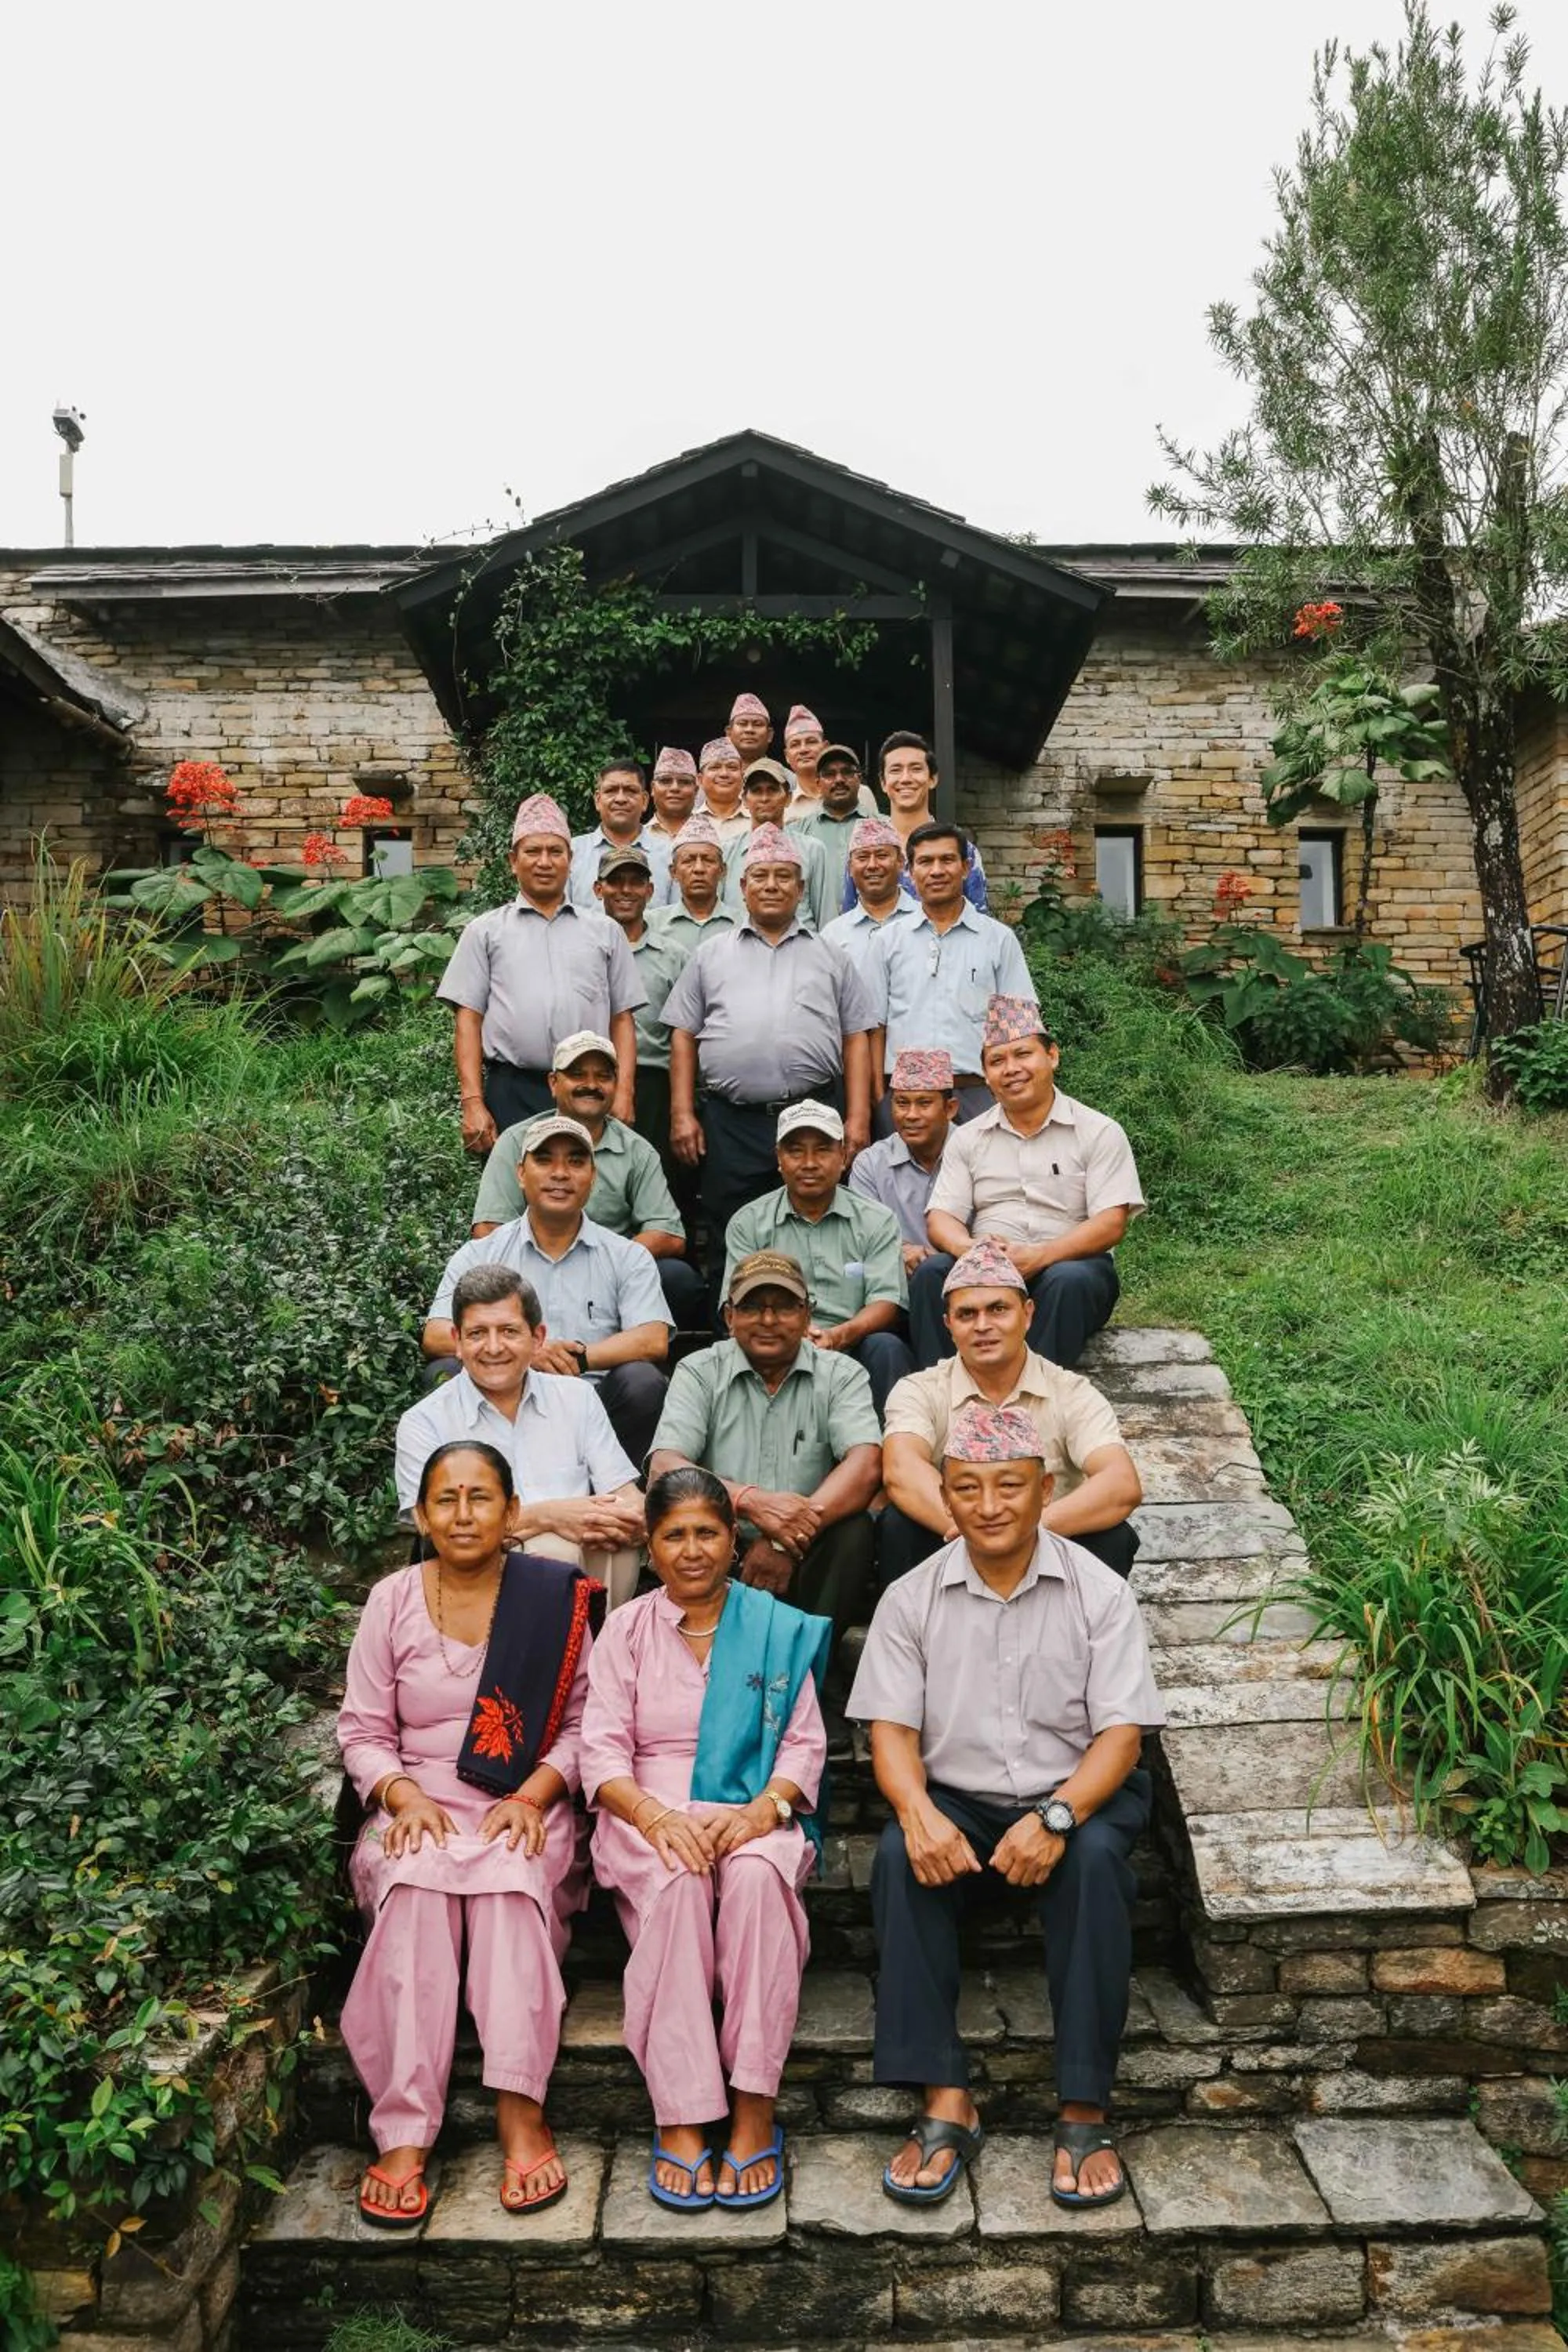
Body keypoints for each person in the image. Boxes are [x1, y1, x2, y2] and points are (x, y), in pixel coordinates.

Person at [848, 1403, 1164, 2212]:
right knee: (896, 1857)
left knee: (1093, 1865)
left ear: (1043, 1488)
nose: (988, 1505)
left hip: (1078, 1795)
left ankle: (1083, 2106)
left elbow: (1120, 1738)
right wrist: (917, 1812)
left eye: (1007, 1487)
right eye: (968, 1489)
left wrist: (1057, 1817)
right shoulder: (910, 1598)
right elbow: (889, 1732)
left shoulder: (1097, 1593)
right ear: (945, 1499)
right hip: (961, 1796)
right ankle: (944, 2096)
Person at [338, 1439, 597, 2225]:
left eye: (480, 1497)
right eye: (445, 1499)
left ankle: (520, 2107)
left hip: (521, 1801)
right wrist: (402, 1796)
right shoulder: (391, 1599)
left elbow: (585, 1726)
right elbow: (361, 1730)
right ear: (421, 1515)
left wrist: (531, 1794)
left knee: (509, 1885)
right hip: (413, 1798)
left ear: (512, 1513)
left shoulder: (548, 1601)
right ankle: (405, 2130)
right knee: (414, 1885)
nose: (462, 1514)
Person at [580, 1467, 829, 2212]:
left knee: (754, 1878)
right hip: (647, 1815)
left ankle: (753, 2107)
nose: (692, 1550)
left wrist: (760, 1813)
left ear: (734, 1540)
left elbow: (804, 1746)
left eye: (708, 1533)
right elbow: (599, 1753)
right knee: (682, 1883)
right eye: (674, 1536)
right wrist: (659, 1819)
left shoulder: (771, 1626)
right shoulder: (625, 1629)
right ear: (651, 1551)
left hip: (751, 1810)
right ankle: (685, 2111)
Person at [662, 826, 875, 1272]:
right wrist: (682, 1113)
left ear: (801, 889)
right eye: (760, 876)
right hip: (731, 1122)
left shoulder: (831, 956)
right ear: (742, 887)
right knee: (730, 1225)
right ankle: (730, 1330)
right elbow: (682, 1033)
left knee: (815, 1223)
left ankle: (819, 1328)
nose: (772, 885)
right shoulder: (711, 954)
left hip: (813, 1114)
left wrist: (857, 1118)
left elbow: (856, 1037)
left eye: (784, 876)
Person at [648, 1250, 881, 1652]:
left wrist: (782, 1541)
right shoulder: (699, 1371)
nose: (769, 1320)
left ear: (808, 1315)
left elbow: (866, 1465)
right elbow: (664, 1467)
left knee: (855, 1532)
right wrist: (750, 1503)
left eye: (785, 1306)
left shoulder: (842, 1375)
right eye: (753, 1307)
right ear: (728, 1316)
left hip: (807, 1551)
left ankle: (810, 1670)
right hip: (722, 1543)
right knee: (688, 1525)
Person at [878, 1240, 1142, 1589]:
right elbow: (901, 1470)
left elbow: (1121, 1483)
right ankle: (924, 1637)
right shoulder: (919, 1390)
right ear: (948, 1324)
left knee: (1114, 1536)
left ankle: (1073, 1639)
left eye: (998, 1309)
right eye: (967, 1314)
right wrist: (977, 1530)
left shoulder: (1071, 1392)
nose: (982, 1325)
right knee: (898, 1525)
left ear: (1028, 1314)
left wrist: (1025, 1530)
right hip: (953, 1547)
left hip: (1049, 1545)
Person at [913, 996, 1145, 1372]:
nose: (1012, 1069)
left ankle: (1032, 1402)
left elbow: (1111, 1223)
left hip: (1070, 1268)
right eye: (997, 1061)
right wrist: (972, 1252)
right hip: (987, 1270)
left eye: (1023, 1054)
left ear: (1052, 1056)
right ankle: (940, 1395)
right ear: (986, 1076)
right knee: (930, 1274)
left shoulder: (1098, 1131)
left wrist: (1041, 1256)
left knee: (1068, 1280)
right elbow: (941, 1217)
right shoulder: (969, 1138)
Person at [425, 1115, 672, 1466]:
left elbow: (652, 1338)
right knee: (446, 1370)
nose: (560, 1173)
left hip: (595, 1403)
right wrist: (525, 1354)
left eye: (575, 1161)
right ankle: (474, 1487)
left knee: (643, 1381)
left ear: (593, 1176)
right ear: (521, 1174)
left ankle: (622, 1498)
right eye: (544, 1160)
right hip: (504, 1394)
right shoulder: (482, 1253)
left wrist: (581, 1358)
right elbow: (435, 1334)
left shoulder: (627, 1255)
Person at [395, 1268, 644, 1607]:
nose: (494, 1347)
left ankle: (595, 1649)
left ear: (538, 1338)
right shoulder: (424, 1422)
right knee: (552, 1550)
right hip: (475, 1581)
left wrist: (633, 1515)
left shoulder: (577, 1398)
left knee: (618, 1540)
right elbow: (434, 1529)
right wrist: (549, 1516)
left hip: (580, 1573)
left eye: (509, 1331)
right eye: (478, 1333)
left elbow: (624, 1492)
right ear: (457, 1341)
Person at [438, 793, 645, 1147]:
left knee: (594, 1192)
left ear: (571, 860)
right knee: (515, 1192)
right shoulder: (485, 931)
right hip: (512, 1090)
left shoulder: (605, 932)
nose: (545, 862)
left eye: (555, 851)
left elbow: (622, 1019)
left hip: (590, 1089)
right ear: (513, 861)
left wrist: (624, 1091)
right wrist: (473, 1102)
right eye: (533, 852)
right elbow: (468, 1020)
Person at [470, 1030, 704, 1333]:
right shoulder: (517, 1140)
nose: (591, 1085)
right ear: (554, 1083)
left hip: (611, 1274)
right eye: (577, 1074)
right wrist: (552, 1263)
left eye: (603, 1076)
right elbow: (487, 1230)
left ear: (616, 1084)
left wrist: (601, 1261)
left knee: (678, 1279)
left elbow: (669, 1234)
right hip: (532, 1269)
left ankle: (632, 1348)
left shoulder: (637, 1150)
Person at [721, 1099, 913, 1414]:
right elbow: (736, 1307)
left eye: (823, 1150)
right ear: (779, 1160)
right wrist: (789, 1337)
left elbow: (887, 1301)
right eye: (796, 1151)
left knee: (887, 1347)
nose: (809, 1163)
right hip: (774, 1340)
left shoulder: (876, 1220)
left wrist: (839, 1336)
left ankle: (890, 1450)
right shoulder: (749, 1222)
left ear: (843, 1157)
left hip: (852, 1342)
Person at [866, 823, 1038, 1128]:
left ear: (966, 867)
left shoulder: (998, 939)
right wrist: (882, 1095)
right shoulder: (886, 940)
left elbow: (1019, 1028)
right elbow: (875, 1027)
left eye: (947, 860)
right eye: (925, 861)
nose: (936, 871)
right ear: (909, 871)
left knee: (986, 1175)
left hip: (978, 1093)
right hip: (906, 1096)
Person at [837, 733, 988, 914]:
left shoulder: (962, 850)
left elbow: (979, 924)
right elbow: (849, 920)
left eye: (916, 769)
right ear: (883, 783)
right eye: (896, 770)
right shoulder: (864, 850)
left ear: (933, 779)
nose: (906, 778)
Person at [848, 1048, 959, 1269]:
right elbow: (861, 1236)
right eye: (901, 1103)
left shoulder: (975, 1151)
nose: (911, 1115)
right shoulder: (870, 1164)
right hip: (896, 1282)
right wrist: (899, 1252)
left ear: (950, 1109)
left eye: (924, 1103)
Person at [723, 760, 833, 932]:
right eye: (757, 791)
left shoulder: (812, 850)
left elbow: (826, 918)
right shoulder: (727, 852)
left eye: (773, 790)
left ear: (788, 797)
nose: (765, 798)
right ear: (744, 799)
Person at [820, 816, 921, 978]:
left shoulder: (925, 922)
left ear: (901, 862)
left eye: (882, 856)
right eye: (862, 857)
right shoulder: (834, 936)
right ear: (850, 868)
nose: (873, 865)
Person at [569, 760, 667, 909]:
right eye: (611, 790)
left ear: (645, 801)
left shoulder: (669, 855)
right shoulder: (571, 853)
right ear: (597, 800)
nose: (620, 799)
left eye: (630, 791)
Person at [789, 744, 873, 908]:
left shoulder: (883, 828)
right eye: (829, 774)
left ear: (859, 779)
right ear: (818, 783)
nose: (839, 780)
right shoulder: (797, 834)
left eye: (847, 772)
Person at [646, 747, 699, 884]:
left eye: (684, 782)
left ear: (696, 790)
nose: (675, 788)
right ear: (652, 789)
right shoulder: (638, 839)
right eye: (665, 781)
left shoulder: (713, 835)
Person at [695, 739, 750, 848]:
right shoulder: (690, 822)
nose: (724, 774)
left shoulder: (758, 819)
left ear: (743, 777)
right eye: (715, 767)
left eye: (732, 767)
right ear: (700, 780)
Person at [725, 691, 774, 771]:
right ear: (729, 733)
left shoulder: (787, 778)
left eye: (757, 724)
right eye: (742, 724)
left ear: (770, 735)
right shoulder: (718, 777)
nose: (749, 730)